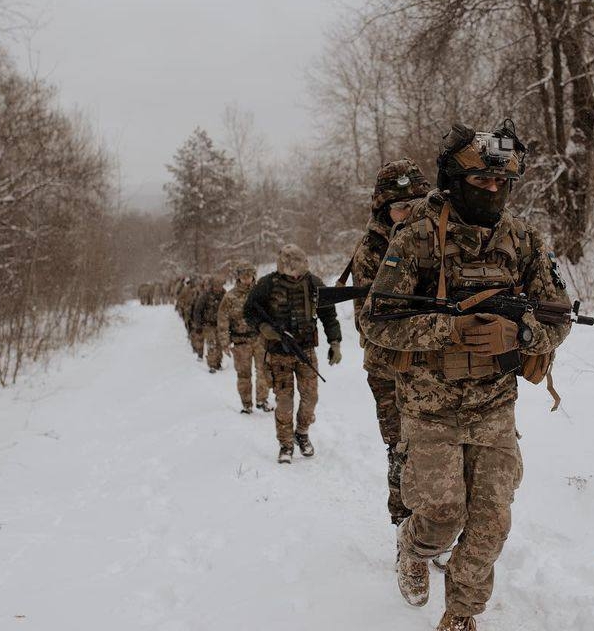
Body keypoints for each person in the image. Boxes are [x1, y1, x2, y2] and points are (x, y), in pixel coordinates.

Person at [360, 121, 572, 631]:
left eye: (502, 182)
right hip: (430, 408)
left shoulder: (523, 242)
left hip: (494, 406)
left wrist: (518, 334)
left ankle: (461, 614)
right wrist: (448, 330)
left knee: (491, 521)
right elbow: (376, 321)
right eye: (481, 181)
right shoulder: (415, 239)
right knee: (442, 514)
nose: (492, 190)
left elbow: (560, 318)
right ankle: (413, 545)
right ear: (455, 182)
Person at [348, 159, 430, 526]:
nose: (408, 212)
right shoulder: (370, 250)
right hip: (387, 369)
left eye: (415, 204)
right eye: (400, 206)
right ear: (384, 210)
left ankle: (432, 526)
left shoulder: (434, 239)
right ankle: (403, 524)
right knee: (402, 450)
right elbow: (368, 322)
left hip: (429, 366)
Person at [245, 244, 342, 464]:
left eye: (298, 269)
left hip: (306, 350)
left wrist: (335, 342)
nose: (295, 274)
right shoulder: (267, 284)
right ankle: (286, 444)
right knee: (284, 401)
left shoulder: (313, 283)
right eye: (291, 269)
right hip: (278, 353)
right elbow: (249, 311)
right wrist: (263, 328)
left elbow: (328, 315)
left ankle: (302, 433)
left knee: (311, 398)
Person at [217, 262, 273, 413]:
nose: (247, 279)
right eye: (244, 275)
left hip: (260, 339)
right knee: (244, 375)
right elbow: (223, 320)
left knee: (263, 371)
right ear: (238, 277)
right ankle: (246, 404)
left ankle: (262, 400)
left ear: (254, 276)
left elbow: (271, 314)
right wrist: (225, 342)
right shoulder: (230, 297)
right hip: (240, 342)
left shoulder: (261, 293)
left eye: (249, 275)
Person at [192, 275, 226, 372]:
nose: (218, 288)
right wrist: (198, 325)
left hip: (220, 324)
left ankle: (218, 362)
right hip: (208, 324)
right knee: (211, 343)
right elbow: (198, 310)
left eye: (219, 286)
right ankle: (212, 364)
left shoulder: (224, 295)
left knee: (219, 344)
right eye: (216, 286)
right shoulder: (205, 295)